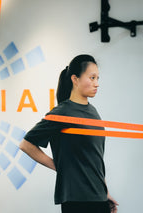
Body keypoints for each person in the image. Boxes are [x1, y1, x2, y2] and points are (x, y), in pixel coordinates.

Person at [19, 54, 119, 213]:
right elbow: (26, 144)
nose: (97, 84)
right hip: (77, 199)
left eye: (97, 78)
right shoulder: (63, 111)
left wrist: (104, 192)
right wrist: (60, 166)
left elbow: (95, 157)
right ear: (75, 79)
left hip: (98, 197)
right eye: (92, 78)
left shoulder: (93, 111)